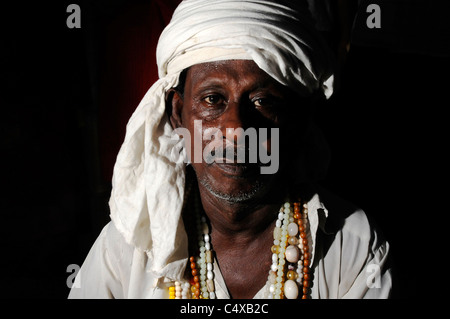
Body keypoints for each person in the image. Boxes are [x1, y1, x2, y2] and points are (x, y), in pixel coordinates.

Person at [68, 0, 392, 299]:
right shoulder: (126, 249)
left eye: (263, 101)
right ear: (178, 114)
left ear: (298, 120)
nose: (236, 130)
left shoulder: (353, 248)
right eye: (212, 99)